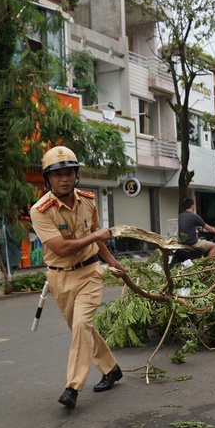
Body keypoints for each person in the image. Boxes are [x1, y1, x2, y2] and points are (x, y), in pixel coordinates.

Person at [29, 146, 127, 410]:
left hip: (89, 273)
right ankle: (112, 369)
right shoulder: (40, 210)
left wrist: (113, 262)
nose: (64, 179)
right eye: (57, 174)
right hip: (59, 277)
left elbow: (96, 236)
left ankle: (72, 387)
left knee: (82, 325)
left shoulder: (88, 200)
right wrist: (97, 237)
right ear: (48, 179)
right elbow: (61, 248)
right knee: (81, 330)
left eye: (69, 173)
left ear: (76, 175)